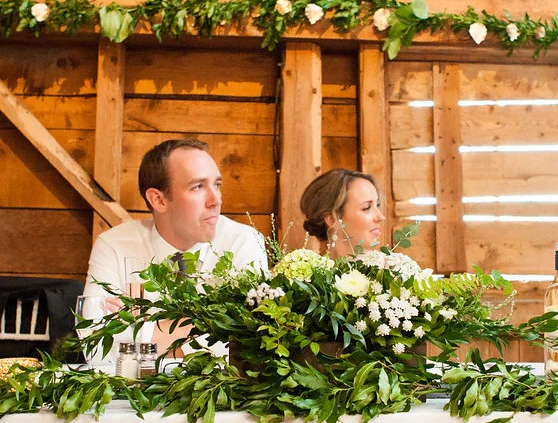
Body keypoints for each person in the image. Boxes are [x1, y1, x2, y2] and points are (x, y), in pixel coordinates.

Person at [82, 139, 267, 356]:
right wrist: (211, 325)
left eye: (217, 185)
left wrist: (140, 331)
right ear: (159, 200)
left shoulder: (243, 242)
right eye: (198, 187)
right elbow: (95, 346)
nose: (215, 200)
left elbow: (245, 345)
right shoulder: (114, 246)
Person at [300, 168, 385, 259]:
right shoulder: (312, 268)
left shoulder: (392, 265)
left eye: (378, 205)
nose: (381, 217)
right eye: (366, 208)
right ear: (332, 219)